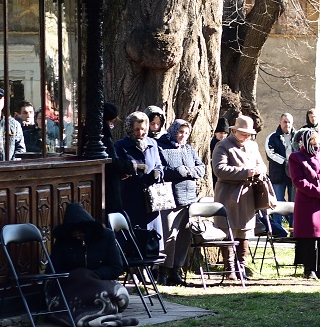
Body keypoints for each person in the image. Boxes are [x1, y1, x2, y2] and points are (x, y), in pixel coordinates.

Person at [50, 203, 135, 327]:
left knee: (114, 294)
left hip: (99, 280)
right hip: (74, 283)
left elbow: (116, 267)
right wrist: (77, 275)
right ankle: (85, 317)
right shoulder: (64, 241)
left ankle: (102, 313)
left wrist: (94, 274)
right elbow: (53, 269)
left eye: (81, 232)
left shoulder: (105, 236)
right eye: (74, 233)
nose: (77, 235)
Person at [213, 114, 270, 279]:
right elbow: (219, 169)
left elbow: (261, 165)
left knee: (244, 231)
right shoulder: (222, 146)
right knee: (228, 230)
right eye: (243, 133)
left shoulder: (252, 146)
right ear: (234, 130)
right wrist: (245, 172)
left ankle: (241, 267)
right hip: (228, 194)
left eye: (248, 134)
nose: (246, 137)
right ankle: (229, 268)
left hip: (247, 194)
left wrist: (259, 171)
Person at [158, 119, 206, 286]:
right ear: (173, 131)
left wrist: (189, 171)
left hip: (189, 198)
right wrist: (177, 172)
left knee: (184, 236)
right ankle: (163, 271)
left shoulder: (189, 149)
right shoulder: (161, 147)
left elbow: (202, 168)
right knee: (169, 235)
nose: (183, 136)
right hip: (171, 199)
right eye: (180, 132)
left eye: (186, 133)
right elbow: (158, 169)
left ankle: (176, 271)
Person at [289, 127, 320, 279]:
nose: (316, 144)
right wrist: (318, 191)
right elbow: (298, 181)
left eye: (318, 140)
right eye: (313, 141)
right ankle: (309, 269)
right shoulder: (295, 157)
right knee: (309, 237)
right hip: (307, 203)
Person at [112, 111, 164, 249]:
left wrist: (158, 172)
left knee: (152, 236)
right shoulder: (120, 145)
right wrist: (134, 168)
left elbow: (159, 164)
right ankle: (134, 265)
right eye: (136, 129)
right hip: (131, 196)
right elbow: (117, 167)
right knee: (133, 234)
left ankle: (153, 266)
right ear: (130, 128)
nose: (140, 133)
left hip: (151, 198)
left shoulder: (152, 143)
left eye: (143, 129)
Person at [265, 113, 295, 237]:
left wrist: (294, 162)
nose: (287, 124)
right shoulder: (272, 137)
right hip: (278, 175)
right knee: (277, 202)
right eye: (284, 122)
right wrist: (285, 161)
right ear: (280, 122)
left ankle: (294, 229)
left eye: (289, 122)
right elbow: (269, 152)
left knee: (294, 202)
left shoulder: (298, 135)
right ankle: (278, 230)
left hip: (294, 174)